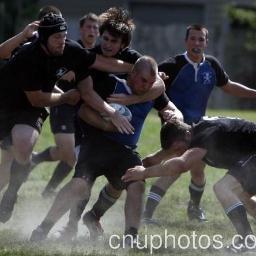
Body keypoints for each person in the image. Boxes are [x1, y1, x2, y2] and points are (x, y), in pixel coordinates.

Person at [30, 56, 183, 244]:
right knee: (79, 186)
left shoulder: (153, 92)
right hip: (96, 145)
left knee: (137, 183)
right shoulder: (111, 84)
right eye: (143, 81)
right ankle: (42, 229)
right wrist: (108, 125)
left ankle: (131, 238)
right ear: (132, 73)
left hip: (126, 150)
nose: (146, 86)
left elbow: (176, 111)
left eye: (151, 83)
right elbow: (84, 111)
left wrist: (171, 114)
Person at [0, 13, 135, 223]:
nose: (62, 41)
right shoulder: (29, 56)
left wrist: (136, 68)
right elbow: (36, 98)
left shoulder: (70, 50)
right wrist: (64, 97)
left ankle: (12, 193)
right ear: (43, 39)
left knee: (23, 143)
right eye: (57, 37)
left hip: (28, 110)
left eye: (64, 36)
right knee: (11, 157)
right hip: (8, 103)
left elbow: (101, 62)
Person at [142, 24, 256, 224]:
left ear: (206, 42)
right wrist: (162, 105)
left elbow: (228, 86)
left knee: (198, 170)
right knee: (174, 170)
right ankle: (146, 211)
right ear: (186, 41)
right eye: (193, 39)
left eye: (200, 39)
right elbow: (149, 85)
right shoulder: (172, 65)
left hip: (203, 131)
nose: (196, 43)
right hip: (178, 132)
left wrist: (254, 94)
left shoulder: (211, 65)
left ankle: (193, 208)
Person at [122, 117, 256, 253]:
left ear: (187, 134)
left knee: (223, 188)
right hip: (250, 157)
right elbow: (156, 158)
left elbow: (182, 164)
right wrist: (129, 170)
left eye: (180, 149)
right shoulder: (193, 135)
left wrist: (144, 173)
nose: (179, 153)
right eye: (176, 151)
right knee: (240, 195)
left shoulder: (204, 133)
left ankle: (247, 240)